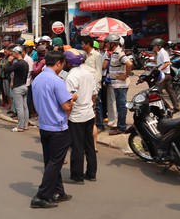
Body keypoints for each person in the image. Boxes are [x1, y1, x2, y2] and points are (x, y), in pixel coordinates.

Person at [31, 51, 75, 208]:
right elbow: (66, 105)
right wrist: (72, 100)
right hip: (58, 126)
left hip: (44, 125)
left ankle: (58, 191)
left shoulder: (38, 79)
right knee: (55, 163)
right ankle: (41, 195)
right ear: (58, 63)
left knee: (50, 161)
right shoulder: (56, 81)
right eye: (62, 64)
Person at [64, 49, 98, 184]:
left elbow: (69, 99)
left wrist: (67, 116)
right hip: (88, 112)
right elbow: (94, 94)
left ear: (68, 62)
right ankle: (91, 173)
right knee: (89, 145)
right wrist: (90, 105)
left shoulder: (71, 77)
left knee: (77, 147)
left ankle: (77, 176)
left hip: (77, 116)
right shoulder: (88, 73)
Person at [106, 34, 132, 135]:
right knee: (119, 105)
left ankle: (121, 128)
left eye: (107, 43)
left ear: (113, 43)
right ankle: (120, 125)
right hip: (116, 84)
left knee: (121, 106)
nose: (106, 44)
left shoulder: (119, 53)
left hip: (120, 85)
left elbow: (129, 64)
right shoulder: (115, 52)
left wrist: (125, 75)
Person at [6, 46, 31, 132]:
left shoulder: (18, 63)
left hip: (18, 87)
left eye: (13, 53)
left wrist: (9, 61)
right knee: (25, 107)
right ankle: (25, 125)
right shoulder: (25, 63)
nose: (12, 54)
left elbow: (7, 69)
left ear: (17, 53)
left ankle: (20, 126)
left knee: (19, 107)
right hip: (24, 86)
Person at [152, 38, 180, 113]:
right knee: (171, 92)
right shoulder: (159, 53)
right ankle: (176, 107)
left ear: (159, 46)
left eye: (154, 46)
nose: (153, 47)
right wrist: (155, 55)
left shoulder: (163, 52)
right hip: (164, 75)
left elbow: (167, 63)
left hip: (164, 75)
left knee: (156, 92)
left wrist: (159, 69)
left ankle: (166, 107)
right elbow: (157, 62)